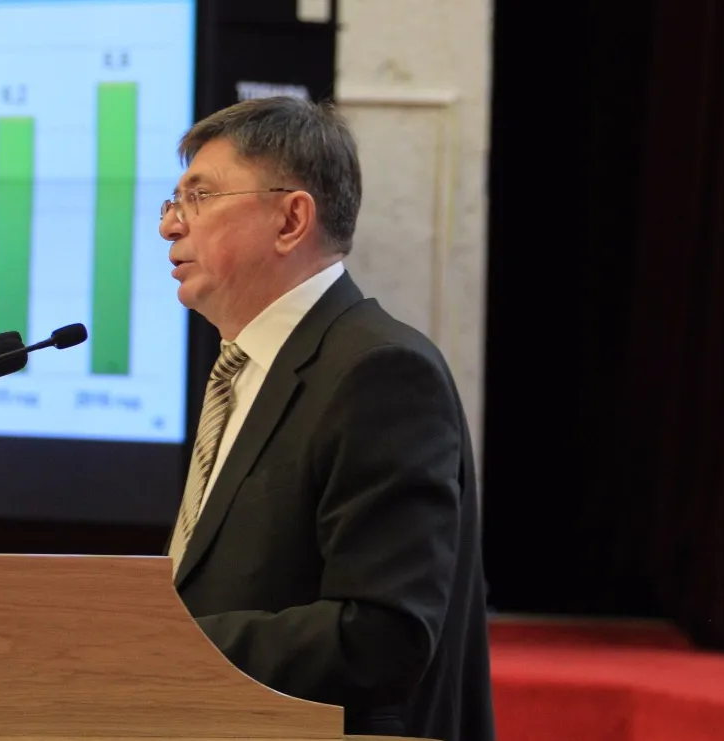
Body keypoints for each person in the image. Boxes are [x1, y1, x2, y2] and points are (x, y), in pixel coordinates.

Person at [160, 95, 495, 741]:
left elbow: (383, 634)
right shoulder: (245, 369)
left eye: (199, 197)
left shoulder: (380, 372)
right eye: (173, 202)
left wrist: (163, 642)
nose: (171, 226)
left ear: (291, 219)